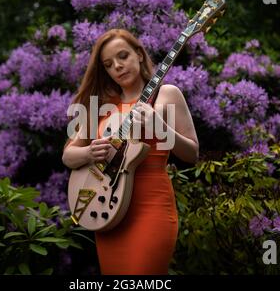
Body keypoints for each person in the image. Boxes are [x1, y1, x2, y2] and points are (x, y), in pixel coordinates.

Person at [62, 28, 199, 275]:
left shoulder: (166, 95)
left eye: (123, 56)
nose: (117, 66)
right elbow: (68, 156)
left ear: (138, 53)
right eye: (108, 64)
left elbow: (192, 153)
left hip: (151, 208)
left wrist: (159, 127)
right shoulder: (102, 106)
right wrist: (90, 153)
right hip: (107, 208)